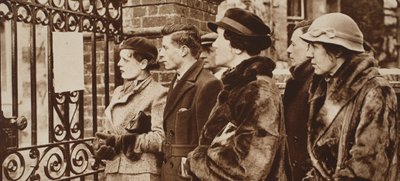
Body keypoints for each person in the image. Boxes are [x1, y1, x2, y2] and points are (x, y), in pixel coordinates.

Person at [185, 8, 289, 180]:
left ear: (238, 47)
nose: (214, 44)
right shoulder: (240, 87)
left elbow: (247, 168)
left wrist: (195, 161)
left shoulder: (258, 92)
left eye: (219, 37)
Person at [300, 13, 398, 180]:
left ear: (337, 50)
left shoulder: (375, 91)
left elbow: (368, 166)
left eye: (314, 47)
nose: (308, 54)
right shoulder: (323, 86)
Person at [92, 37, 167, 181]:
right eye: (120, 59)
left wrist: (122, 141)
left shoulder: (158, 93)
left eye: (126, 60)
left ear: (143, 63)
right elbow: (110, 131)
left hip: (141, 173)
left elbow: (160, 139)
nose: (119, 64)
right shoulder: (119, 91)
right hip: (113, 171)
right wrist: (102, 145)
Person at [158, 23, 222, 181]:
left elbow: (208, 146)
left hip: (188, 175)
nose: (160, 55)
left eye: (165, 48)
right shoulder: (177, 80)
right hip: (170, 172)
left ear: (183, 50)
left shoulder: (208, 84)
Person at [283, 20, 313, 181]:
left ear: (310, 47)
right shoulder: (297, 82)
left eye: (293, 44)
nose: (288, 50)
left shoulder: (317, 85)